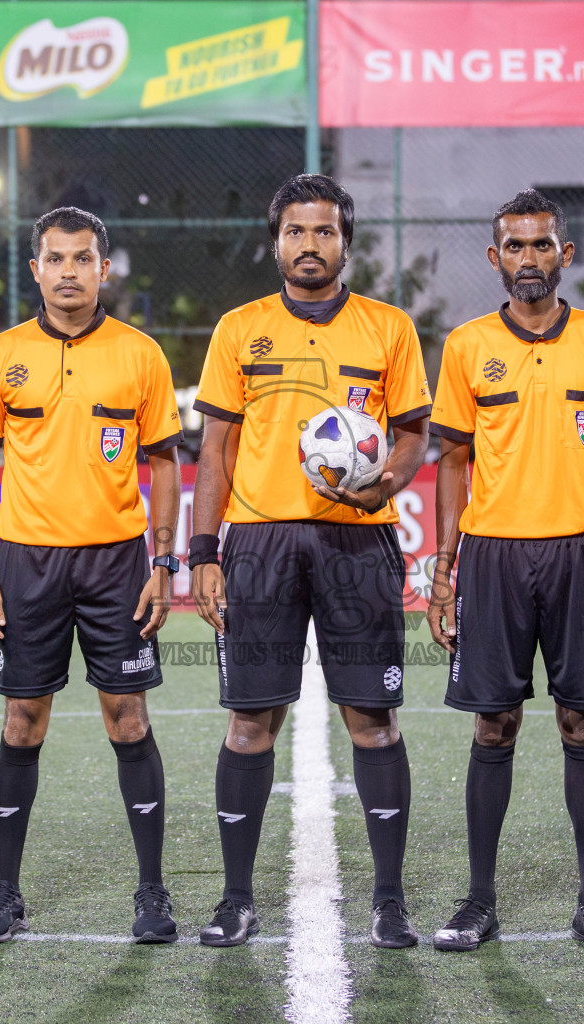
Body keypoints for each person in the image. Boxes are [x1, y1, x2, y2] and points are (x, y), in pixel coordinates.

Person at [188, 174, 431, 948]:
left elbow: (414, 434)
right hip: (259, 542)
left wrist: (384, 483)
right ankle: (235, 899)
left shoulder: (388, 328)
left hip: (358, 540)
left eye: (324, 232)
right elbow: (216, 452)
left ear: (345, 243)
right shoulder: (238, 329)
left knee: (374, 721)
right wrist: (203, 552)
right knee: (250, 722)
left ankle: (388, 899)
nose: (309, 245)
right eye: (296, 232)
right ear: (276, 243)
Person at [425, 190, 584, 954]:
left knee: (582, 720)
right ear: (496, 259)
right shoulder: (465, 346)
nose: (529, 259)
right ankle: (478, 901)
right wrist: (444, 569)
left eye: (542, 246)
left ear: (565, 255)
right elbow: (452, 461)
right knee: (495, 723)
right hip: (492, 556)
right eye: (515, 247)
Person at [0, 207, 184, 945]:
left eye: (82, 259)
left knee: (130, 718)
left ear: (103, 268)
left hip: (117, 561)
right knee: (22, 721)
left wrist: (163, 561)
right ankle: (4, 894)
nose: (67, 272)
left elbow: (163, 462)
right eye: (54, 259)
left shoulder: (141, 355)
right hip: (26, 564)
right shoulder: (0, 356)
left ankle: (152, 894)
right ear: (35, 269)